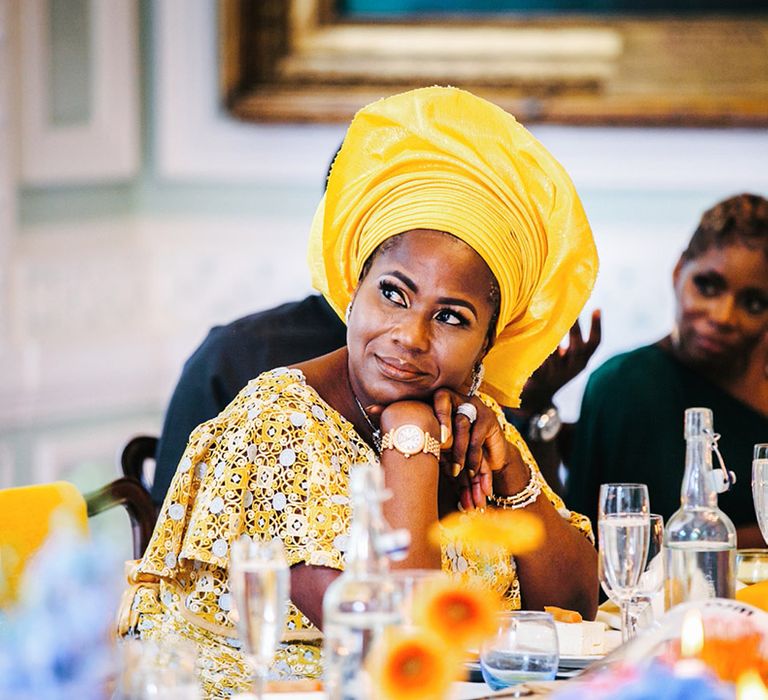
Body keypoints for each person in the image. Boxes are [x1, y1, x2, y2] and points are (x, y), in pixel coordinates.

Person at [120, 86, 599, 698]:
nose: (411, 336)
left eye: (451, 317)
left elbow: (580, 600)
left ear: (487, 343)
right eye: (393, 294)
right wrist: (410, 443)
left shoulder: (469, 416)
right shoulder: (279, 423)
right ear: (353, 290)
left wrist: (507, 468)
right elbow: (400, 646)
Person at [566, 193, 768, 547]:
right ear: (678, 272)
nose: (722, 316)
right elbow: (655, 544)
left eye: (753, 303)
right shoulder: (630, 384)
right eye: (707, 285)